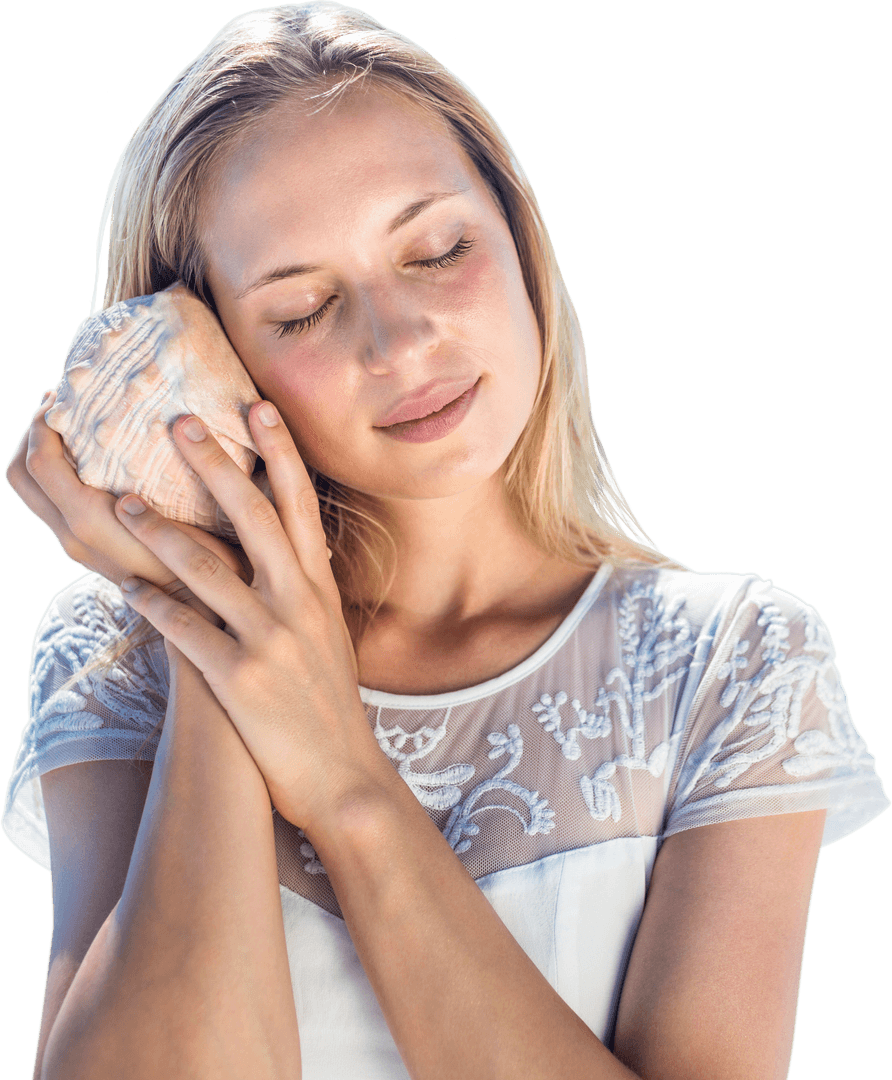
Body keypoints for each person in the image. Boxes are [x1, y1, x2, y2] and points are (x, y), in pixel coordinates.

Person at [3, 3, 888, 1078]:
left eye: (436, 249)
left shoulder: (730, 666)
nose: (401, 339)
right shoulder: (119, 653)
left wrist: (340, 779)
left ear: (518, 237)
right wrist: (213, 611)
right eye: (301, 309)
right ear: (215, 355)